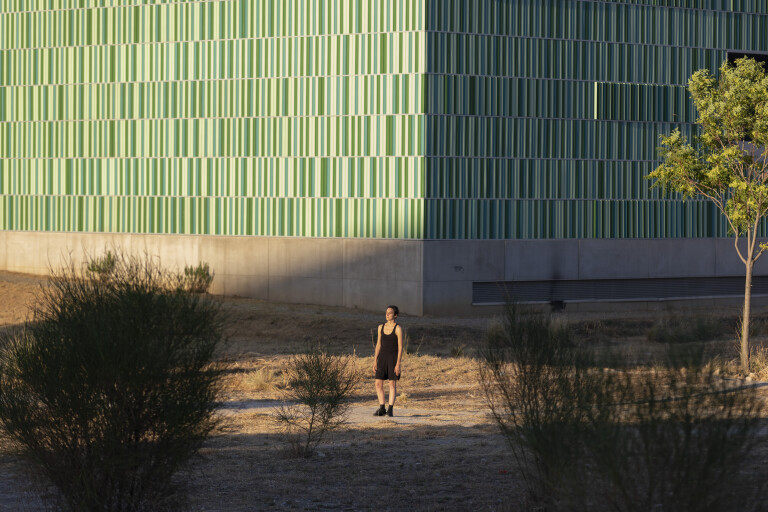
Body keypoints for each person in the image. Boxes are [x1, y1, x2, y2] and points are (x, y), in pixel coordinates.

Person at [373, 305, 403, 417]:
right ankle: (382, 408)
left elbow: (400, 347)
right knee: (378, 383)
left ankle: (390, 410)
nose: (387, 314)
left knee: (392, 384)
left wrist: (398, 364)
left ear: (395, 315)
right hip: (382, 358)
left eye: (390, 313)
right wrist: (375, 360)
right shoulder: (380, 327)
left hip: (392, 359)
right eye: (386, 312)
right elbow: (378, 344)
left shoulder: (398, 329)